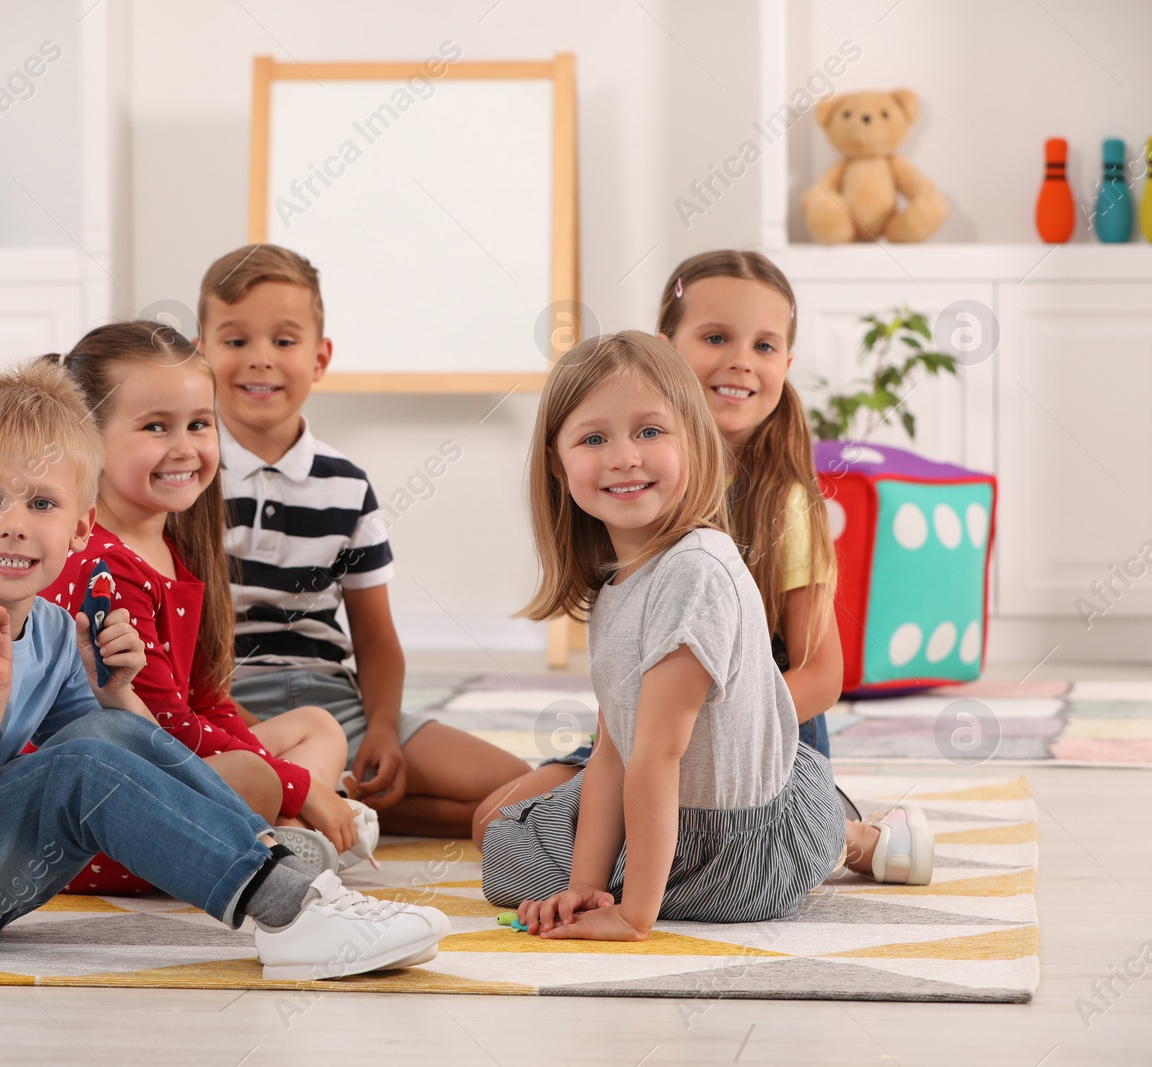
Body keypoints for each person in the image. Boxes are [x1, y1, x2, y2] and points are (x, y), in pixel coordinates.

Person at [0, 360, 447, 978]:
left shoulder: (55, 630)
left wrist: (117, 695)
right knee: (84, 767)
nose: (12, 525)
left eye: (41, 504)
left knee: (106, 736)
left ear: (81, 526)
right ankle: (290, 915)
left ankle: (284, 878)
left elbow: (125, 760)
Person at [478, 332, 933, 942]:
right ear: (559, 469)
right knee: (507, 852)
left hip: (742, 851)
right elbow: (614, 748)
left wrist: (631, 912)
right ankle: (823, 838)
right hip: (684, 821)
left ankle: (841, 837)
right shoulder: (617, 588)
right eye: (594, 439)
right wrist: (586, 886)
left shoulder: (694, 571)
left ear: (694, 442)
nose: (624, 457)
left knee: (511, 846)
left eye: (649, 432)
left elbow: (658, 754)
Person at [472, 249, 854, 838]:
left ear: (788, 362)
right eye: (716, 337)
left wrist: (696, 740)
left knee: (548, 832)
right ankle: (372, 817)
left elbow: (822, 675)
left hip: (758, 747)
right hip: (649, 730)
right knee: (495, 819)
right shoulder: (632, 483)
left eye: (764, 346)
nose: (741, 363)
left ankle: (845, 837)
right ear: (664, 350)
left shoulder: (783, 501)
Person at [197, 243, 530, 842]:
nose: (260, 361)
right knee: (242, 799)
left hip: (335, 704)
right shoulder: (187, 480)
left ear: (320, 358)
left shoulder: (347, 485)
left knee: (521, 786)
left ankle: (340, 800)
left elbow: (376, 637)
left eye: (284, 340)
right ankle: (326, 800)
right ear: (202, 355)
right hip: (227, 707)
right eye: (236, 340)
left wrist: (379, 729)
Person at [41, 322, 373, 881]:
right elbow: (163, 729)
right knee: (256, 777)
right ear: (87, 441)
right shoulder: (103, 566)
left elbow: (206, 702)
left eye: (199, 424)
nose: (184, 448)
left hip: (156, 768)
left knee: (318, 727)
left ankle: (286, 832)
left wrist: (293, 783)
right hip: (102, 815)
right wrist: (294, 785)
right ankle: (280, 833)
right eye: (155, 427)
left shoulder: (171, 546)